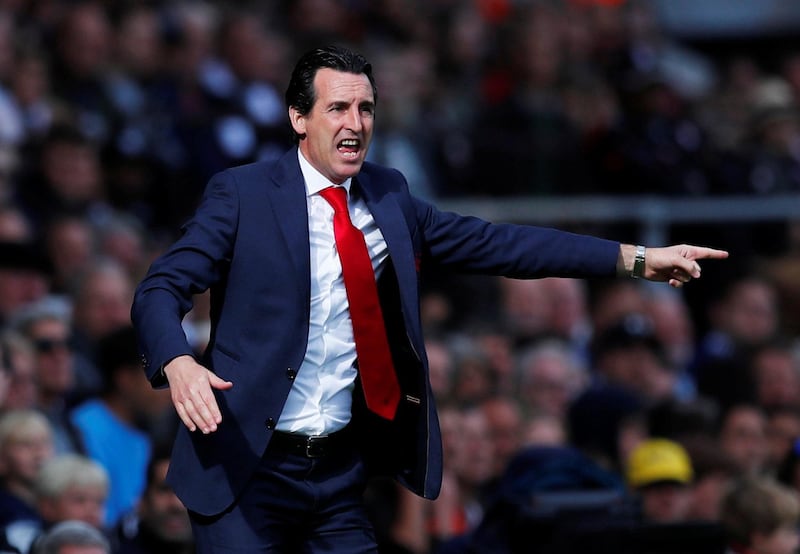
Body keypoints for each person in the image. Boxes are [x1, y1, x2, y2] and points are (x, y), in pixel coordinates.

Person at [130, 44, 729, 553]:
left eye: (366, 108)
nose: (355, 123)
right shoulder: (242, 194)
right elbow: (160, 287)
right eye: (338, 107)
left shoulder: (389, 196)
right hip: (244, 466)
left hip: (338, 475)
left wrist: (636, 259)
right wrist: (178, 362)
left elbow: (501, 245)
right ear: (298, 117)